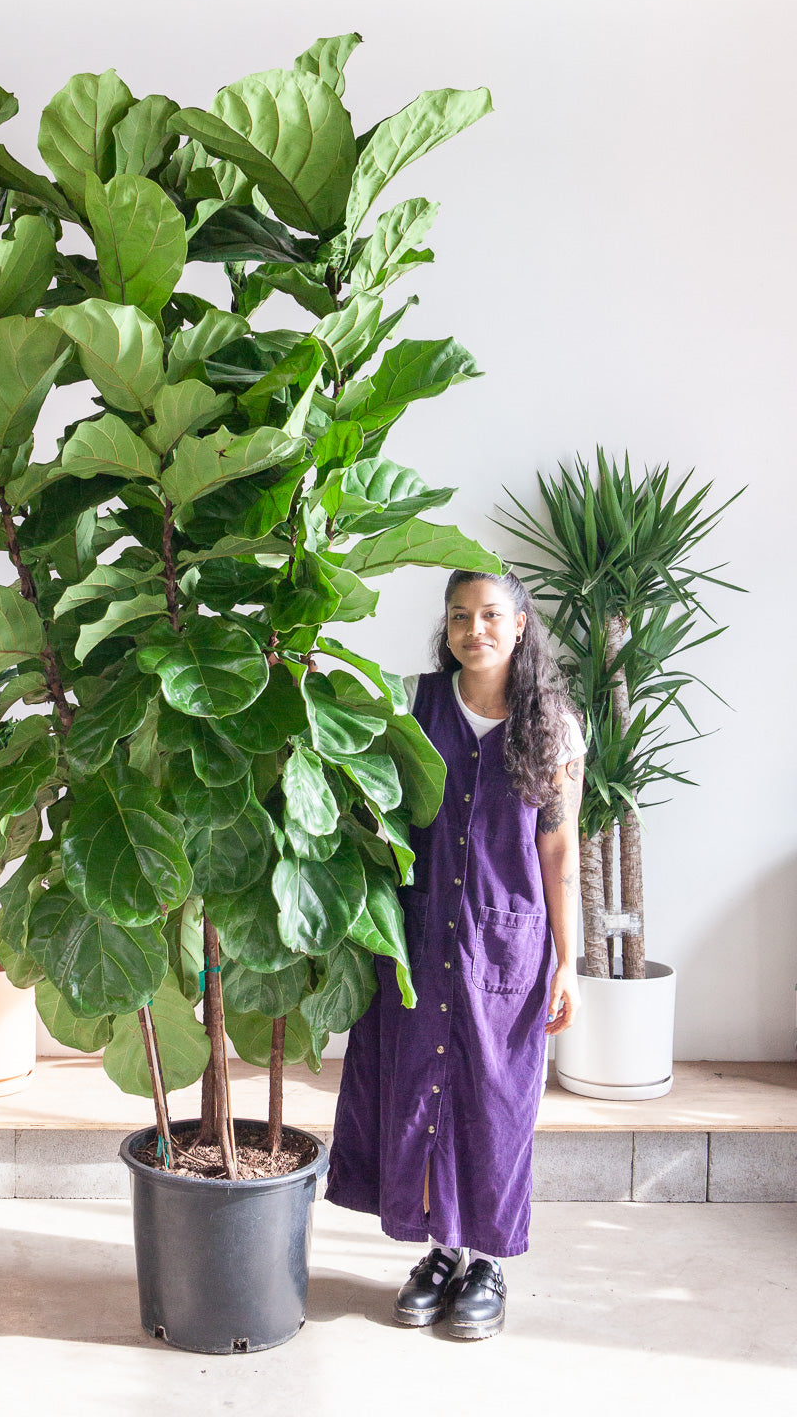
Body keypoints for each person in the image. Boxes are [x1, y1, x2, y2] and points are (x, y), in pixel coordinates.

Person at [326, 568, 585, 1340]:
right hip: (416, 934)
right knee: (417, 1092)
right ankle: (439, 1252)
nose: (476, 629)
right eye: (460, 616)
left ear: (520, 625)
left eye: (491, 615)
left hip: (505, 943)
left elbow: (560, 847)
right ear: (447, 628)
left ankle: (487, 1263)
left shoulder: (553, 725)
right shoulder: (412, 702)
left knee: (494, 1102)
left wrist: (569, 960)